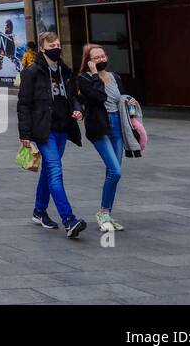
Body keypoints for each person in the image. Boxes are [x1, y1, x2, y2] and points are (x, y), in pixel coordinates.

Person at [18, 31, 87, 239]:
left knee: (49, 170)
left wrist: (78, 109)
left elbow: (74, 96)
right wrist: (25, 133)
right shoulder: (32, 72)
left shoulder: (65, 71)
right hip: (43, 130)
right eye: (52, 45)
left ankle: (39, 211)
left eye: (58, 44)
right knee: (56, 171)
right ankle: (69, 220)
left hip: (62, 128)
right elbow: (24, 104)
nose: (56, 48)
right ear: (42, 48)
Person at [76, 43, 142, 232]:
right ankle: (103, 213)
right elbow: (98, 97)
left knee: (111, 172)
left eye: (103, 56)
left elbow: (120, 99)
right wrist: (95, 74)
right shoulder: (84, 79)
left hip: (117, 126)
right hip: (99, 127)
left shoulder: (115, 77)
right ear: (88, 61)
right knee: (115, 171)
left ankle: (106, 213)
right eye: (96, 58)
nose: (101, 60)